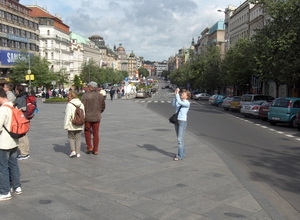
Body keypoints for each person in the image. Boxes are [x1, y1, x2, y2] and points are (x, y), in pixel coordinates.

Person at [0, 88, 22, 201]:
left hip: (3, 143)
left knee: (3, 167)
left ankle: (4, 192)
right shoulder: (14, 106)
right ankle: (17, 187)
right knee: (14, 164)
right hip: (14, 141)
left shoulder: (2, 110)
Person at [81, 81, 106, 155]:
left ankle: (89, 147)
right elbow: (103, 106)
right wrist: (99, 112)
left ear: (91, 87)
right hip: (97, 117)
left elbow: (82, 106)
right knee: (96, 133)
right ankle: (95, 150)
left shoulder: (85, 96)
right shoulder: (100, 96)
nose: (88, 87)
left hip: (87, 117)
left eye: (88, 86)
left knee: (87, 132)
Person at [64, 91, 85, 158]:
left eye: (69, 95)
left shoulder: (69, 104)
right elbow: (83, 114)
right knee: (78, 139)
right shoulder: (81, 104)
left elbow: (68, 115)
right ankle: (78, 153)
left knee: (71, 137)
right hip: (79, 124)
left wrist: (66, 125)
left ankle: (73, 151)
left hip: (72, 124)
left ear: (71, 96)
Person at [172, 88, 191, 161]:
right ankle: (182, 153)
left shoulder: (187, 103)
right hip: (177, 121)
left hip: (182, 122)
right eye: (181, 93)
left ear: (187, 96)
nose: (181, 94)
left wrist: (177, 94)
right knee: (180, 139)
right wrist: (175, 96)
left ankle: (180, 156)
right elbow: (174, 104)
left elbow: (179, 102)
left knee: (180, 139)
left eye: (183, 94)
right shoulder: (179, 101)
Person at [14, 85, 30, 160]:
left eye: (16, 89)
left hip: (21, 118)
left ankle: (24, 153)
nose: (15, 91)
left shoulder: (20, 98)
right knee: (24, 134)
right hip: (25, 117)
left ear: (18, 90)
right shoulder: (25, 96)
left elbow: (14, 107)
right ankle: (26, 152)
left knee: (21, 135)